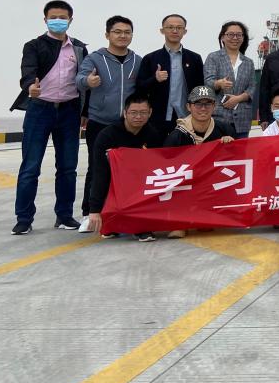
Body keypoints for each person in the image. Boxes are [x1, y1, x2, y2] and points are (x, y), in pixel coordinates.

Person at [11, 0, 88, 235]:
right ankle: (24, 218)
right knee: (30, 167)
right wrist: (30, 87)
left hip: (69, 111)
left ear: (70, 20)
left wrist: (84, 112)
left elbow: (84, 82)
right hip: (40, 109)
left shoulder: (79, 48)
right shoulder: (34, 45)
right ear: (45, 20)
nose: (58, 21)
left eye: (63, 17)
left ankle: (64, 215)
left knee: (68, 167)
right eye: (53, 17)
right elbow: (28, 72)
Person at [75, 15, 140, 229]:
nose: (123, 36)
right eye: (117, 32)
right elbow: (79, 80)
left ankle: (124, 210)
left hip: (128, 125)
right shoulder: (95, 59)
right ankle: (89, 213)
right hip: (100, 122)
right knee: (97, 167)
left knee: (128, 169)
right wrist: (88, 80)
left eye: (127, 32)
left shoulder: (137, 61)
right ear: (107, 34)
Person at [84, 92, 166, 242]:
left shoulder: (153, 135)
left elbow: (158, 169)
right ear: (125, 112)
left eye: (143, 113)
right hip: (115, 186)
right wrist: (94, 210)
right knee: (110, 228)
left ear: (150, 113)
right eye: (133, 112)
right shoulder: (107, 136)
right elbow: (99, 174)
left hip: (142, 188)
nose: (138, 117)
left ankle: (142, 225)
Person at [163, 86, 236, 239]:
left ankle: (205, 216)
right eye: (198, 104)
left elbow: (238, 161)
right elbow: (166, 170)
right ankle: (179, 223)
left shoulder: (225, 129)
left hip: (212, 184)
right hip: (184, 185)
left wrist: (230, 147)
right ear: (188, 106)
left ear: (214, 106)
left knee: (207, 227)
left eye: (208, 104)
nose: (203, 108)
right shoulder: (176, 136)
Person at [137, 14, 205, 134]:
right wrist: (155, 79)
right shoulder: (150, 58)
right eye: (170, 27)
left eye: (179, 28)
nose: (175, 31)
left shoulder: (194, 58)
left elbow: (200, 88)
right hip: (158, 118)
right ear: (162, 30)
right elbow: (139, 88)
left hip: (187, 117)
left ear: (185, 31)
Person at [204, 21, 257, 139]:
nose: (235, 38)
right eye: (230, 34)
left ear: (243, 38)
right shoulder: (213, 57)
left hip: (242, 119)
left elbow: (252, 87)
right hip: (218, 117)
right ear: (222, 37)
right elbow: (208, 82)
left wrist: (238, 98)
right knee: (218, 150)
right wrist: (219, 83)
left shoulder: (248, 62)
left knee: (241, 150)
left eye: (239, 35)